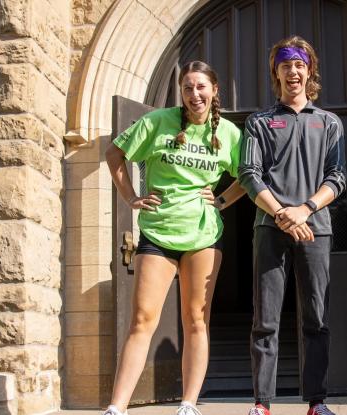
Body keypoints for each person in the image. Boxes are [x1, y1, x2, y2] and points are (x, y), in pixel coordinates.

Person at [102, 60, 246, 415]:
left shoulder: (228, 132)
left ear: (214, 91)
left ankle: (188, 403)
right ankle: (116, 407)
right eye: (187, 88)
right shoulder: (157, 122)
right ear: (181, 93)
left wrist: (223, 199)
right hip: (158, 232)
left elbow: (248, 175)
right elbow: (113, 153)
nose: (194, 94)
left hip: (203, 235)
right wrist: (131, 197)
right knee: (142, 319)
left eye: (200, 87)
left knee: (196, 319)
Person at [238, 36, 345, 415]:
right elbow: (249, 174)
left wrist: (305, 209)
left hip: (316, 228)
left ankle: (317, 403)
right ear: (276, 72)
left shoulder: (328, 123)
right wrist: (283, 214)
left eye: (299, 64)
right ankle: (262, 404)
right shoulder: (259, 122)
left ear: (309, 70)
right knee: (265, 320)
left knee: (316, 318)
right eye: (285, 64)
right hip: (269, 229)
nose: (293, 71)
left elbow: (337, 178)